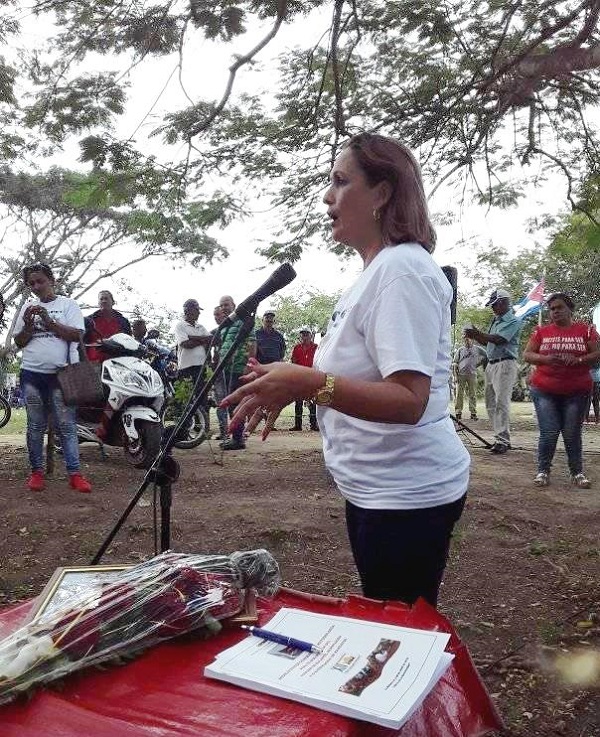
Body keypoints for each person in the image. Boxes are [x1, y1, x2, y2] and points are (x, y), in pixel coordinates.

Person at [222, 133, 470, 607]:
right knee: (388, 615)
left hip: (406, 496)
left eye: (340, 181)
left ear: (382, 192)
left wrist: (308, 382)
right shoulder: (375, 272)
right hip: (377, 489)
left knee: (400, 630)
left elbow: (409, 400)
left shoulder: (402, 271)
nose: (326, 196)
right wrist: (288, 384)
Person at [13, 263, 92, 493]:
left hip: (61, 375)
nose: (36, 287)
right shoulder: (27, 307)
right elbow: (19, 342)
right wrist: (28, 325)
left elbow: (77, 334)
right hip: (31, 375)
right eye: (31, 283)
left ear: (51, 280)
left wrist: (49, 321)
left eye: (40, 281)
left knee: (67, 426)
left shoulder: (68, 304)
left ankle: (75, 474)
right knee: (35, 426)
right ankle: (36, 472)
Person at [523, 293, 600, 489]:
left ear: (570, 309)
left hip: (577, 391)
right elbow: (528, 355)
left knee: (572, 432)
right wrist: (546, 359)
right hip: (545, 389)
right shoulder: (541, 332)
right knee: (549, 432)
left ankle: (577, 473)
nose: (555, 311)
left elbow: (597, 353)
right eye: (552, 309)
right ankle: (543, 471)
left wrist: (579, 360)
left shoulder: (587, 330)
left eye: (559, 307)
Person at [465, 289, 523, 454]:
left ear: (504, 302)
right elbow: (486, 340)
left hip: (505, 364)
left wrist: (478, 333)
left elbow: (499, 339)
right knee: (491, 403)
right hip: (491, 364)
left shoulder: (513, 321)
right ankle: (500, 437)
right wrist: (475, 334)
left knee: (501, 402)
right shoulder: (496, 320)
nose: (493, 308)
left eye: (495, 304)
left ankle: (503, 440)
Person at [218, 295, 256, 450]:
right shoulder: (226, 325)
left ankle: (238, 439)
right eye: (221, 306)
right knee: (230, 403)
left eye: (226, 304)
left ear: (234, 305)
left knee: (236, 403)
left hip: (239, 368)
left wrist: (249, 364)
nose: (224, 308)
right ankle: (236, 436)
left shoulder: (243, 322)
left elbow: (252, 343)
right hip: (226, 369)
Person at [85, 290, 132, 362]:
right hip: (94, 362)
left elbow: (128, 342)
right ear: (98, 303)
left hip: (117, 361)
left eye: (106, 298)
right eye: (101, 299)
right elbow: (83, 342)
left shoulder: (123, 321)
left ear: (113, 302)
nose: (104, 301)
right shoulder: (89, 320)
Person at [173, 299, 211, 386]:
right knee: (185, 396)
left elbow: (212, 339)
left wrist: (191, 337)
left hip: (201, 366)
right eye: (197, 310)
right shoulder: (180, 325)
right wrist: (203, 340)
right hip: (186, 367)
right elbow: (186, 344)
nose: (199, 313)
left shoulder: (200, 327)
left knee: (201, 394)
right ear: (188, 310)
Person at [290, 327, 319, 431]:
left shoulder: (316, 347)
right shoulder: (296, 348)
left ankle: (313, 424)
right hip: (299, 377)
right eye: (302, 334)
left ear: (311, 336)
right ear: (300, 336)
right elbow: (293, 362)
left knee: (313, 401)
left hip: (312, 377)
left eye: (306, 334)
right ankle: (298, 425)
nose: (304, 336)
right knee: (298, 401)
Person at [210, 305, 229, 440]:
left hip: (231, 370)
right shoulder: (213, 333)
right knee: (220, 402)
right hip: (218, 371)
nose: (217, 317)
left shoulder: (232, 330)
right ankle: (224, 432)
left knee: (234, 401)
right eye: (215, 315)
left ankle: (236, 433)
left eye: (219, 314)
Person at [453, 335, 479, 421]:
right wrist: (455, 376)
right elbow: (455, 364)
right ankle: (458, 412)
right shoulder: (460, 350)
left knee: (473, 394)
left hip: (472, 374)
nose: (467, 341)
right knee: (459, 394)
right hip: (461, 375)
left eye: (468, 339)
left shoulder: (476, 350)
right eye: (465, 339)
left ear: (472, 340)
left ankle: (473, 413)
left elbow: (482, 359)